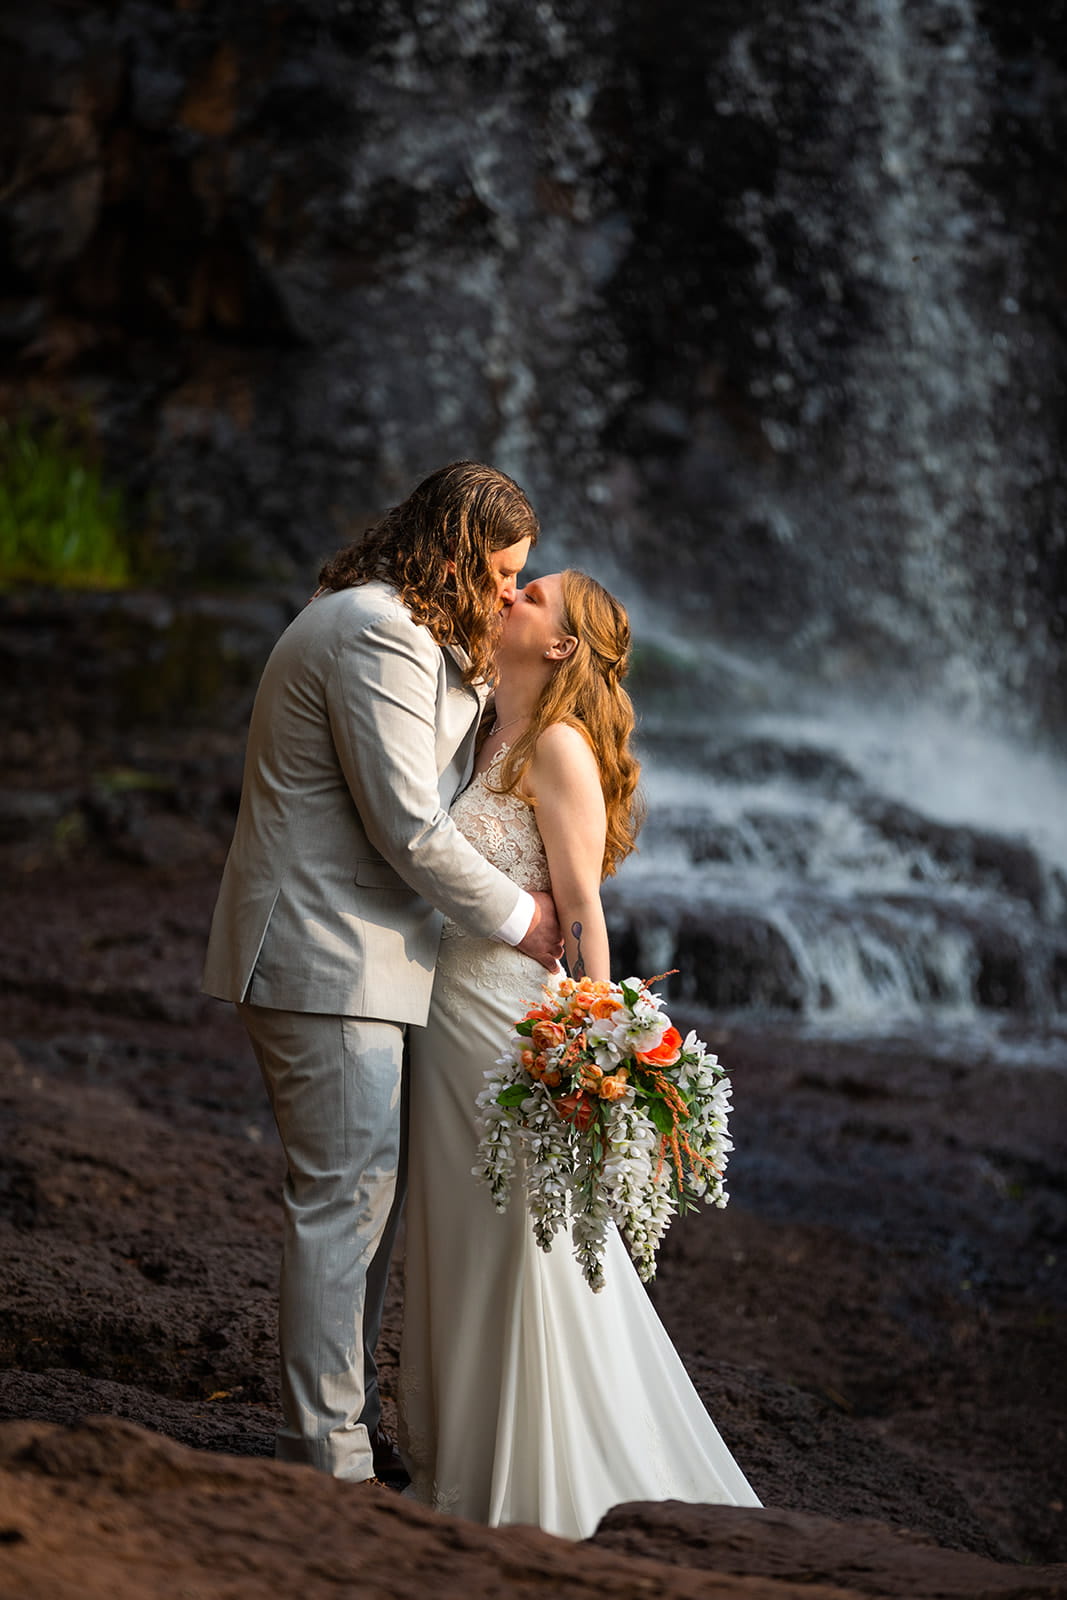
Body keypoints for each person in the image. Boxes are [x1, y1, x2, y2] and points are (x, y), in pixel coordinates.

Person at [202, 462, 564, 1488]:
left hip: (361, 958)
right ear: (452, 550)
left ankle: (345, 1428)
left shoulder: (404, 629)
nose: (507, 593)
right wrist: (522, 919)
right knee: (344, 1198)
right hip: (326, 954)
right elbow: (407, 824)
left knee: (366, 1198)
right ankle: (329, 1454)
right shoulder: (377, 631)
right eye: (500, 571)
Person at [398, 568, 762, 1538]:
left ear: (559, 645)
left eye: (531, 595)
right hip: (440, 1021)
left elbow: (586, 911)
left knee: (517, 1242)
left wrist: (588, 1053)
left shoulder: (556, 748)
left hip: (502, 1032)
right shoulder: (479, 727)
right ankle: (452, 1455)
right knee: (454, 1238)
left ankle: (535, 1481)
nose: (508, 595)